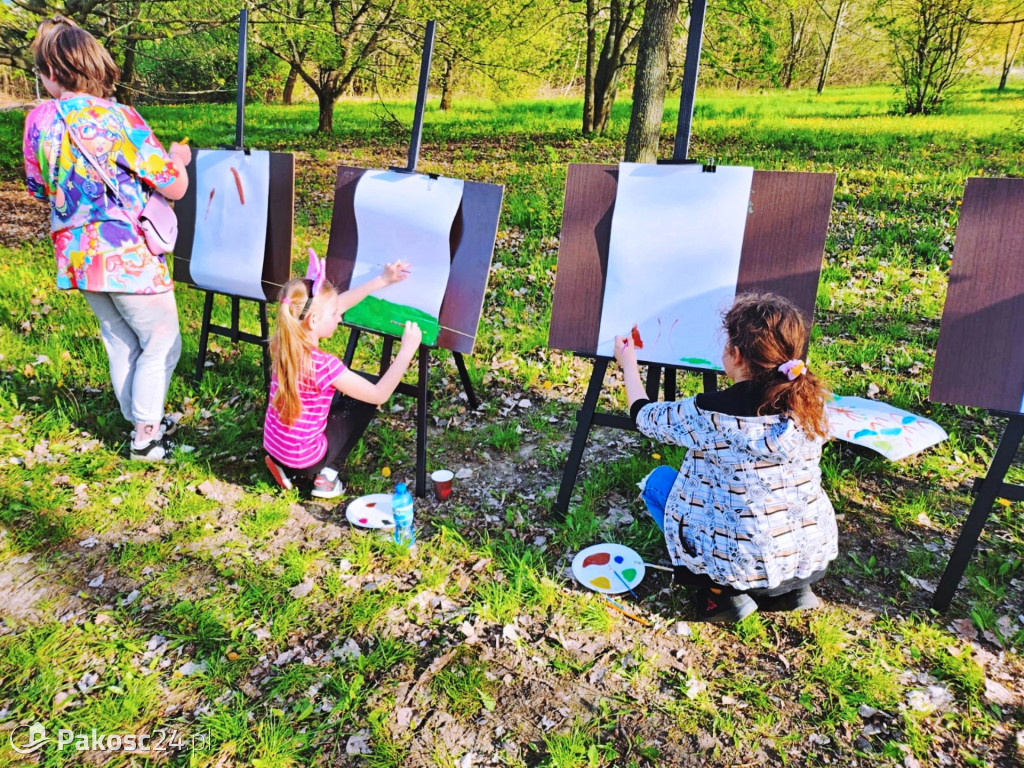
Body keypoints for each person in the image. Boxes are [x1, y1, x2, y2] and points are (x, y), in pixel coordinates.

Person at [23, 16, 190, 461]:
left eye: (41, 72)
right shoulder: (119, 118)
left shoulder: (38, 121)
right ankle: (146, 437)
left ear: (55, 73)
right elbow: (173, 185)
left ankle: (139, 418)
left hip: (76, 254)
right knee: (162, 340)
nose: (41, 79)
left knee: (119, 338)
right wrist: (177, 157)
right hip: (126, 252)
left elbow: (38, 187)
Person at [613, 293, 838, 623]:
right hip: (808, 553)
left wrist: (628, 364)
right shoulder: (811, 402)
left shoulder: (710, 416)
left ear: (735, 354)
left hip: (738, 561)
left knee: (658, 483)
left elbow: (644, 416)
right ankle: (793, 590)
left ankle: (723, 594)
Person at [264, 252, 422, 499]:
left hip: (276, 447)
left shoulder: (281, 343)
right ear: (314, 320)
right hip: (308, 459)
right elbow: (379, 395)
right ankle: (326, 476)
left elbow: (334, 305)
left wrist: (382, 280)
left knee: (336, 396)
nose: (340, 317)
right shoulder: (324, 366)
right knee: (364, 397)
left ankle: (285, 468)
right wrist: (407, 350)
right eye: (335, 314)